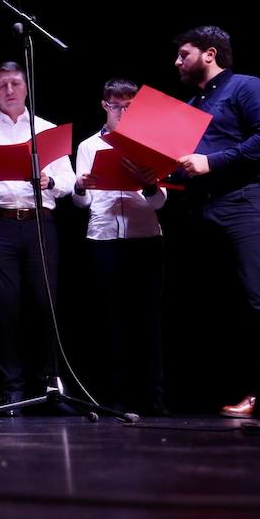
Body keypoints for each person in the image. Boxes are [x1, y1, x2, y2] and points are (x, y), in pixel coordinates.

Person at [172, 26, 260, 419]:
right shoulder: (192, 104)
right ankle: (254, 390)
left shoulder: (246, 87)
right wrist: (154, 175)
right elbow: (189, 164)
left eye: (183, 54)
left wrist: (212, 162)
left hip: (248, 200)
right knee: (231, 304)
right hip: (206, 206)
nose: (177, 62)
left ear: (210, 54)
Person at [0, 61, 75, 411]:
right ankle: (11, 387)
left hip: (40, 221)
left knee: (45, 304)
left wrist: (49, 181)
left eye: (16, 84)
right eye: (3, 85)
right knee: (4, 305)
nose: (10, 90)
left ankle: (51, 385)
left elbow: (68, 182)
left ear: (26, 88)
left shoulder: (45, 129)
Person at [71, 78, 167, 415]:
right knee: (111, 320)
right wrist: (80, 187)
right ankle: (115, 398)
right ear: (104, 105)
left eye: (129, 106)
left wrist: (149, 183)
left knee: (147, 320)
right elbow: (82, 203)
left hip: (144, 237)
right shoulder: (87, 147)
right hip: (104, 239)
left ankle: (152, 398)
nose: (123, 111)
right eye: (117, 105)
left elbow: (159, 202)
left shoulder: (149, 144)